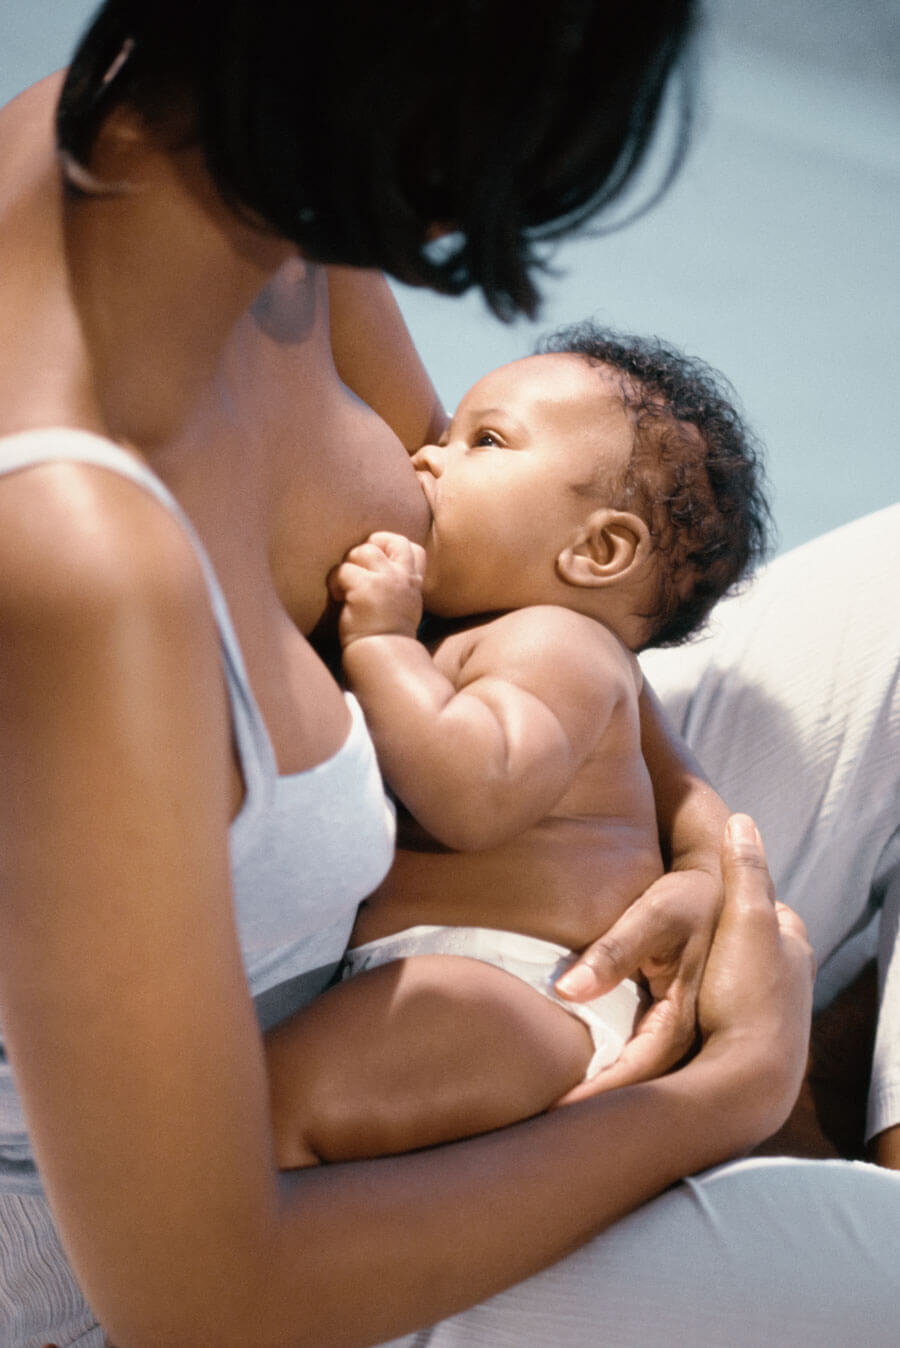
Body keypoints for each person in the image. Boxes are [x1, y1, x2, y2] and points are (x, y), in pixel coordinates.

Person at [0, 3, 897, 1347]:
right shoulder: (78, 553)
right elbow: (207, 1297)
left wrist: (708, 840)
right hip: (218, 1245)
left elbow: (541, 586)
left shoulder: (240, 178)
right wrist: (723, 1094)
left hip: (493, 928)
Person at [264, 326, 772, 1166]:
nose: (426, 458)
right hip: (460, 978)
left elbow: (477, 790)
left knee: (264, 1113)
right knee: (275, 1109)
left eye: (485, 441)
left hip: (515, 988)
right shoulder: (508, 636)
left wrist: (383, 646)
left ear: (599, 550)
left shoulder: (555, 645)